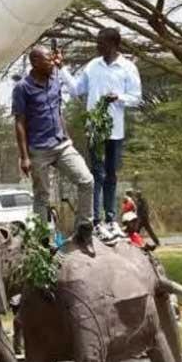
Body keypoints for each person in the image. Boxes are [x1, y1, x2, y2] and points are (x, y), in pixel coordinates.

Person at [60, 28, 142, 240]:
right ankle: (96, 220)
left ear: (113, 44)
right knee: (97, 174)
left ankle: (111, 219)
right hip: (94, 129)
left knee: (111, 175)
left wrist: (119, 97)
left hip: (115, 129)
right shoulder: (93, 66)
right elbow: (77, 89)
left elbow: (136, 97)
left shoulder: (127, 67)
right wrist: (62, 69)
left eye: (101, 43)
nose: (98, 47)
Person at [13, 46, 96, 253]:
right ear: (35, 63)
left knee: (87, 180)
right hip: (38, 149)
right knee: (42, 196)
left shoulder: (55, 78)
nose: (53, 63)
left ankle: (84, 231)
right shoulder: (22, 88)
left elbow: (58, 110)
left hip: (61, 144)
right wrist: (24, 157)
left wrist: (67, 136)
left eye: (52, 60)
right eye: (48, 60)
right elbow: (19, 122)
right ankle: (43, 242)